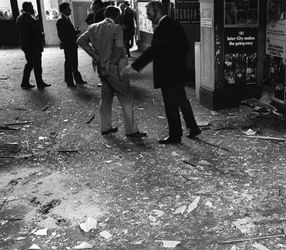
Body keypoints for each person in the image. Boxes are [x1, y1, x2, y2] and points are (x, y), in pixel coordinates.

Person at [129, 1, 200, 144]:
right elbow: (184, 46)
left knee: (171, 105)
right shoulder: (173, 24)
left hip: (169, 72)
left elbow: (154, 49)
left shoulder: (164, 27)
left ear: (158, 12)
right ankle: (193, 128)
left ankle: (175, 135)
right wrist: (176, 60)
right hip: (177, 71)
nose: (148, 17)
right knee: (181, 101)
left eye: (149, 14)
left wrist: (134, 66)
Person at [77, 6, 146, 138]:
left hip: (101, 68)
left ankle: (106, 127)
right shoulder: (116, 28)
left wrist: (96, 56)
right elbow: (120, 49)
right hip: (115, 68)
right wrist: (110, 64)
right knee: (126, 97)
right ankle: (131, 131)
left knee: (106, 98)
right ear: (117, 16)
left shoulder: (93, 27)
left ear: (105, 14)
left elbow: (80, 41)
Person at [16, 2, 50, 89]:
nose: (33, 8)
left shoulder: (19, 18)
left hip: (26, 45)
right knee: (37, 65)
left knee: (30, 64)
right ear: (28, 8)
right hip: (33, 46)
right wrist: (41, 34)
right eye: (31, 7)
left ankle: (25, 82)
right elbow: (33, 33)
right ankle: (39, 82)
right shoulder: (29, 19)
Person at [57, 2, 86, 87]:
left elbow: (68, 32)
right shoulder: (61, 20)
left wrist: (75, 32)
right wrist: (72, 36)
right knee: (69, 63)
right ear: (64, 10)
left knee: (74, 62)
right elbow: (62, 35)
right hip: (69, 45)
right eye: (68, 9)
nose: (70, 10)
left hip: (72, 44)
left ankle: (77, 79)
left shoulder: (66, 19)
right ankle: (69, 82)